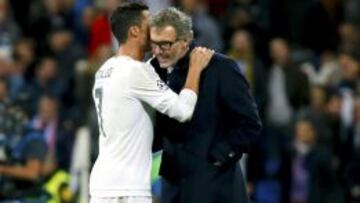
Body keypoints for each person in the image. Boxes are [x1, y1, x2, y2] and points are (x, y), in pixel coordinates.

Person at [89, 3, 214, 203]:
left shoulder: (105, 69)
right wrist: (195, 69)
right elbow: (183, 110)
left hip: (102, 184)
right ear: (134, 30)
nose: (156, 27)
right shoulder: (136, 72)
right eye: (150, 23)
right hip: (127, 188)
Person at [149, 7, 262, 203]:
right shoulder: (153, 71)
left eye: (165, 44)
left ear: (186, 40)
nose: (158, 51)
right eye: (154, 44)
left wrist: (218, 158)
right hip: (174, 188)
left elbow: (249, 124)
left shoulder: (221, 68)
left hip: (215, 187)